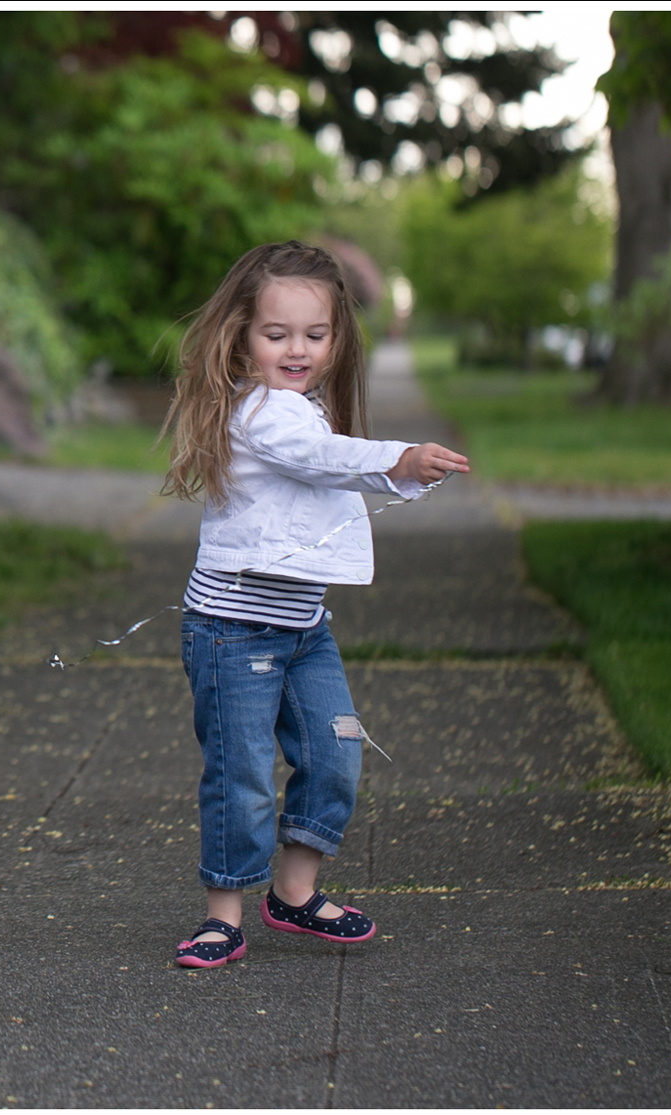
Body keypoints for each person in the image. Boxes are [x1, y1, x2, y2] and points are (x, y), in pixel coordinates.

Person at [162, 241, 469, 967]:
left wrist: (400, 475)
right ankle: (224, 915)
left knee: (335, 754)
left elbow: (330, 470)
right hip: (232, 631)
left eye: (315, 334)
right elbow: (321, 459)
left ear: (337, 338)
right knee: (240, 775)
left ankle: (293, 896)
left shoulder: (309, 407)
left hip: (303, 630)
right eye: (277, 335)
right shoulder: (261, 411)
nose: (297, 350)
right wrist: (394, 457)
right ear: (241, 336)